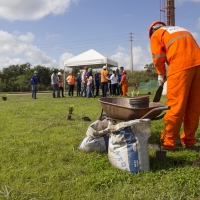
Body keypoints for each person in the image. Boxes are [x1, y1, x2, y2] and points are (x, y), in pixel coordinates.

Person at [149, 20, 200, 150]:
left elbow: (158, 56)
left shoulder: (156, 34)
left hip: (180, 66)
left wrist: (161, 74)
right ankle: (189, 141)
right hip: (198, 65)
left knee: (174, 106)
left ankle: (168, 142)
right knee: (193, 106)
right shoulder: (180, 29)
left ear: (152, 32)